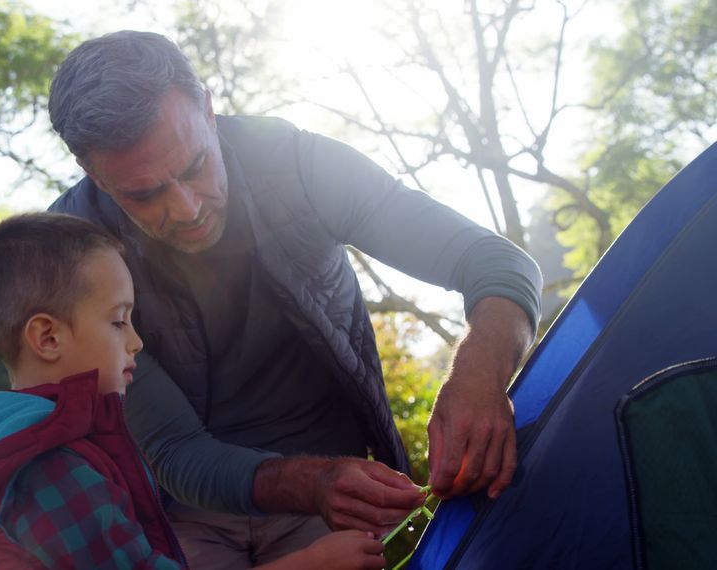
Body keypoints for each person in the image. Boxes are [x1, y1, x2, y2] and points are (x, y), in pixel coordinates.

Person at [48, 31, 542, 567]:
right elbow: (175, 451)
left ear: (209, 111)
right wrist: (315, 482)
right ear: (93, 174)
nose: (188, 208)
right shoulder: (72, 255)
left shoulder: (300, 163)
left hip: (331, 490)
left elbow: (498, 263)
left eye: (195, 168)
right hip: (180, 510)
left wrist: (477, 378)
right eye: (145, 194)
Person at [0, 212, 392, 569]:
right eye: (118, 321)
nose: (136, 341)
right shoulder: (50, 467)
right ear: (48, 338)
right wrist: (312, 563)